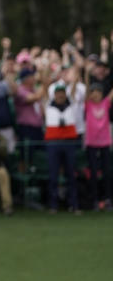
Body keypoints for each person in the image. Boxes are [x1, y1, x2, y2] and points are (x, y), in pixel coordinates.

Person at [43, 84, 80, 214]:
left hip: (69, 143)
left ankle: (73, 205)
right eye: (58, 93)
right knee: (53, 175)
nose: (60, 95)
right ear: (54, 94)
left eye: (62, 93)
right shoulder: (49, 105)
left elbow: (74, 89)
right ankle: (53, 205)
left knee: (71, 175)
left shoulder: (72, 105)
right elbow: (43, 83)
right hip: (53, 143)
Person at [84, 83, 113, 210]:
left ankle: (107, 199)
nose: (96, 94)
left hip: (105, 143)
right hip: (91, 144)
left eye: (98, 92)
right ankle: (95, 200)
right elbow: (85, 90)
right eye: (93, 92)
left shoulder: (106, 103)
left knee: (107, 172)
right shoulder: (88, 105)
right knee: (93, 173)